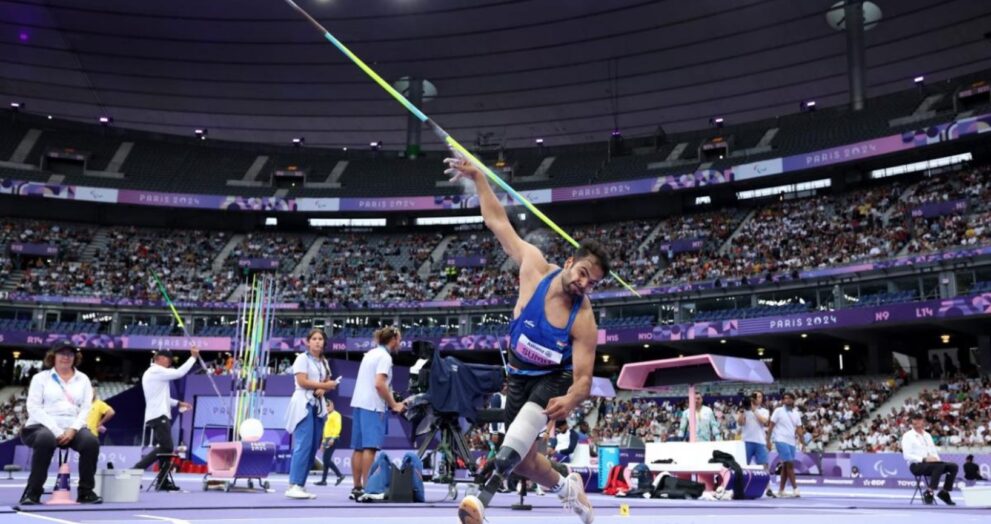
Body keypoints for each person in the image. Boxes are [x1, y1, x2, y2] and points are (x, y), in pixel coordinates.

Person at [445, 154, 603, 524]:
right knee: (526, 462)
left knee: (509, 447)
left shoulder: (584, 318)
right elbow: (497, 222)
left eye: (592, 283)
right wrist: (481, 179)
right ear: (568, 263)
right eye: (581, 274)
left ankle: (478, 501)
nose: (583, 284)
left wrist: (571, 398)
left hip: (552, 381)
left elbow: (583, 380)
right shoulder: (533, 266)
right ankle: (568, 486)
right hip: (518, 376)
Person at [20, 341, 101, 505]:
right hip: (42, 426)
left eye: (70, 354)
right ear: (53, 356)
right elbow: (33, 407)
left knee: (91, 442)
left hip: (72, 426)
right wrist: (57, 431)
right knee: (45, 439)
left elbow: (86, 408)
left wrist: (73, 429)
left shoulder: (83, 379)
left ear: (75, 357)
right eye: (62, 353)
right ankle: (33, 492)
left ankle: (86, 492)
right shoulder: (40, 378)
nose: (66, 357)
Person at [349, 327, 404, 501]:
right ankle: (368, 489)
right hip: (373, 406)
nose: (400, 343)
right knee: (369, 448)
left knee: (358, 448)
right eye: (400, 340)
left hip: (358, 403)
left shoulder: (370, 354)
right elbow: (380, 384)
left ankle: (357, 488)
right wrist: (393, 404)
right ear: (393, 339)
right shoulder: (385, 357)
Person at [133, 347, 199, 487]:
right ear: (160, 358)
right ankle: (135, 470)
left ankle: (162, 481)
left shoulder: (155, 374)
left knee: (166, 448)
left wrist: (179, 403)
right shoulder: (156, 370)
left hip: (158, 414)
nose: (170, 362)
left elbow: (163, 398)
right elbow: (179, 373)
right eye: (168, 359)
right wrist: (193, 357)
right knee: (167, 447)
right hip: (158, 415)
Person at [285, 328, 338, 499]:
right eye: (314, 338)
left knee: (313, 446)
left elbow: (324, 380)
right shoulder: (302, 358)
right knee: (303, 444)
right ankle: (293, 484)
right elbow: (302, 381)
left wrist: (323, 388)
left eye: (320, 339)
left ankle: (301, 484)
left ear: (324, 342)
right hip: (304, 403)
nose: (317, 341)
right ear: (308, 342)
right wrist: (324, 386)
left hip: (318, 405)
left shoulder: (324, 362)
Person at [901, 412, 957, 505]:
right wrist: (924, 459)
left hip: (932, 464)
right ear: (912, 422)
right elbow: (906, 455)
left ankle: (944, 492)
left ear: (923, 421)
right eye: (915, 420)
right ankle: (929, 492)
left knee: (953, 466)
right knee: (939, 466)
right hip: (916, 465)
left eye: (919, 420)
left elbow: (933, 452)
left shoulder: (927, 435)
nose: (917, 422)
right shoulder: (908, 436)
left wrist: (937, 460)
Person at [737, 391, 774, 497]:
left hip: (760, 441)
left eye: (759, 396)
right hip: (746, 441)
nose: (756, 398)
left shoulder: (764, 411)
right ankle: (742, 487)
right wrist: (742, 411)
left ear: (761, 399)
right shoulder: (745, 410)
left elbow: (764, 422)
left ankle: (768, 488)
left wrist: (754, 410)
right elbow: (740, 423)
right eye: (754, 396)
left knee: (764, 465)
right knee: (744, 465)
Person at [768, 391, 802, 498]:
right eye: (785, 398)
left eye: (789, 398)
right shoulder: (778, 411)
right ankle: (795, 488)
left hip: (792, 442)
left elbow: (799, 429)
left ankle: (781, 490)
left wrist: (803, 442)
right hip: (780, 439)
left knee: (786, 466)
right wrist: (767, 440)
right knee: (790, 464)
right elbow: (771, 426)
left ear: (793, 400)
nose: (786, 400)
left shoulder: (796, 413)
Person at [314, 399, 345, 487]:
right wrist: (323, 442)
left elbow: (337, 427)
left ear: (332, 406)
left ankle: (339, 475)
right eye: (326, 406)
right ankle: (324, 480)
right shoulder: (326, 416)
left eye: (329, 406)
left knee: (326, 460)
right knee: (326, 460)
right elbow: (325, 430)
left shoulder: (336, 415)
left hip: (333, 439)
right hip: (326, 439)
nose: (327, 408)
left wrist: (333, 438)